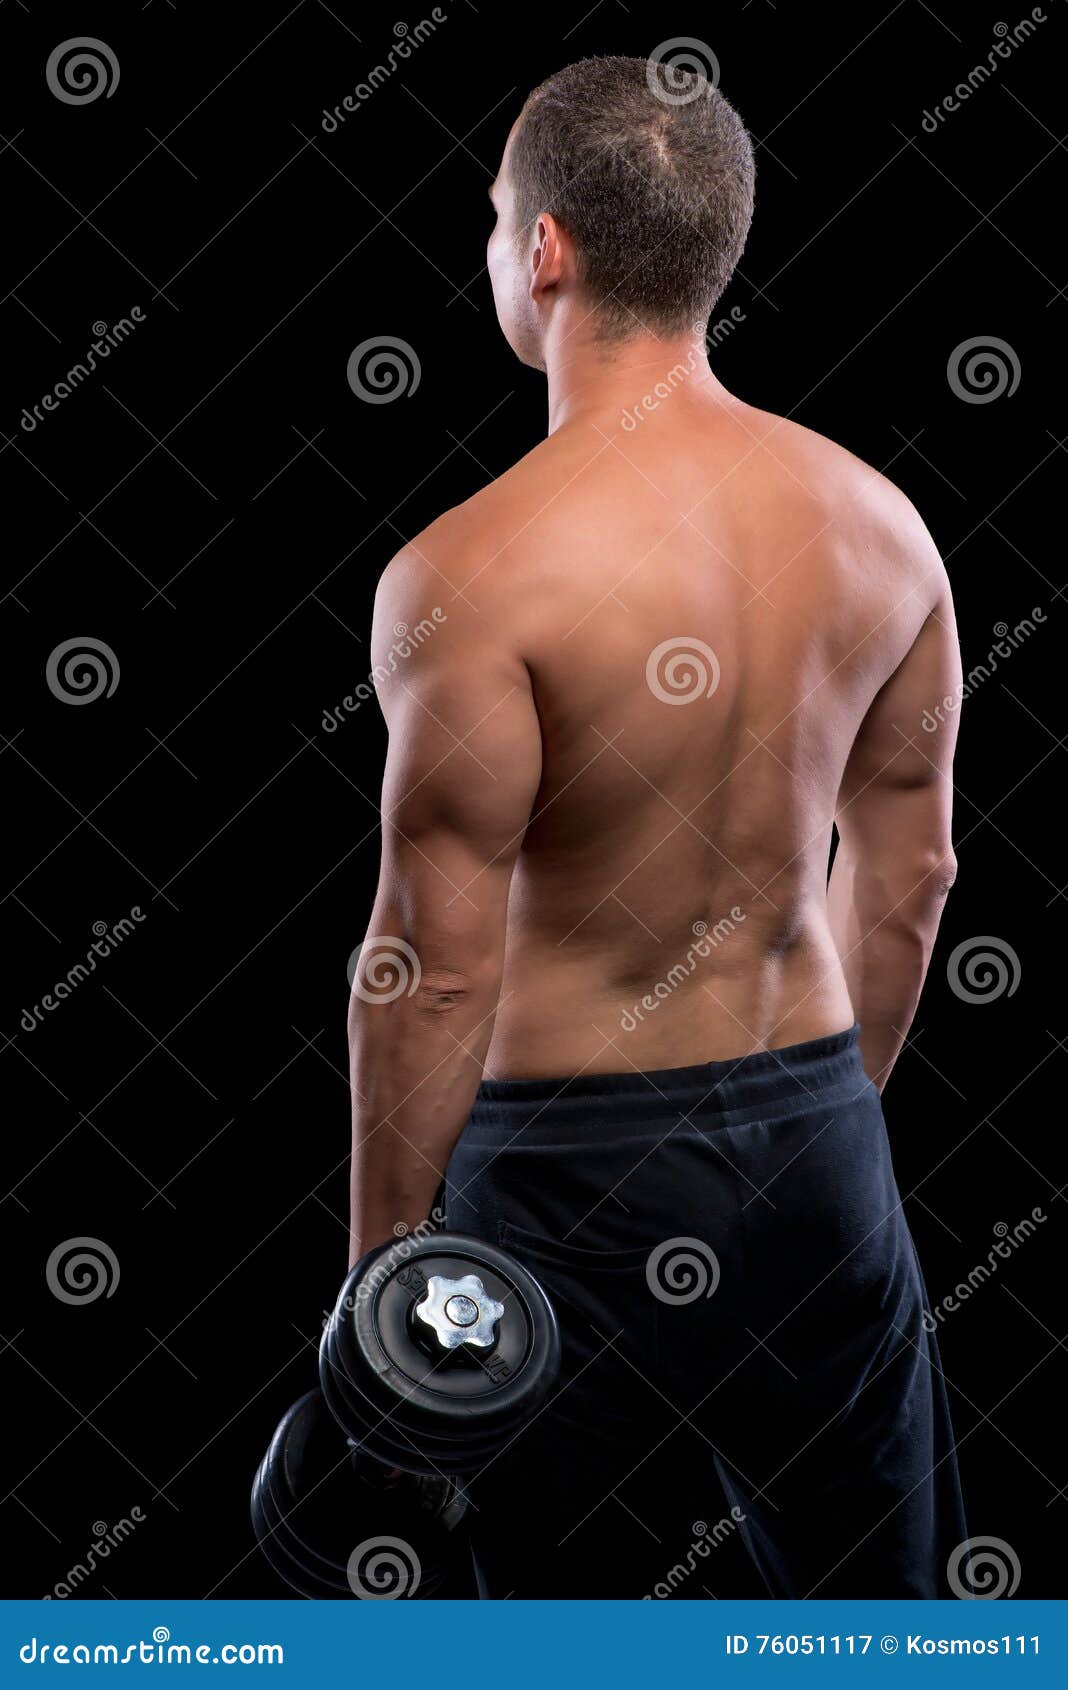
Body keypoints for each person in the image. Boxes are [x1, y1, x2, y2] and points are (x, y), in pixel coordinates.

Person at [346, 55, 965, 1597]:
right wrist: (821, 1125)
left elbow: (426, 966)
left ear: (543, 248)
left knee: (552, 1635)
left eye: (494, 218)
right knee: (880, 1629)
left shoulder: (469, 572)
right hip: (817, 1141)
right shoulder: (881, 525)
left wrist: (379, 1281)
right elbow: (915, 874)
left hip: (567, 1179)